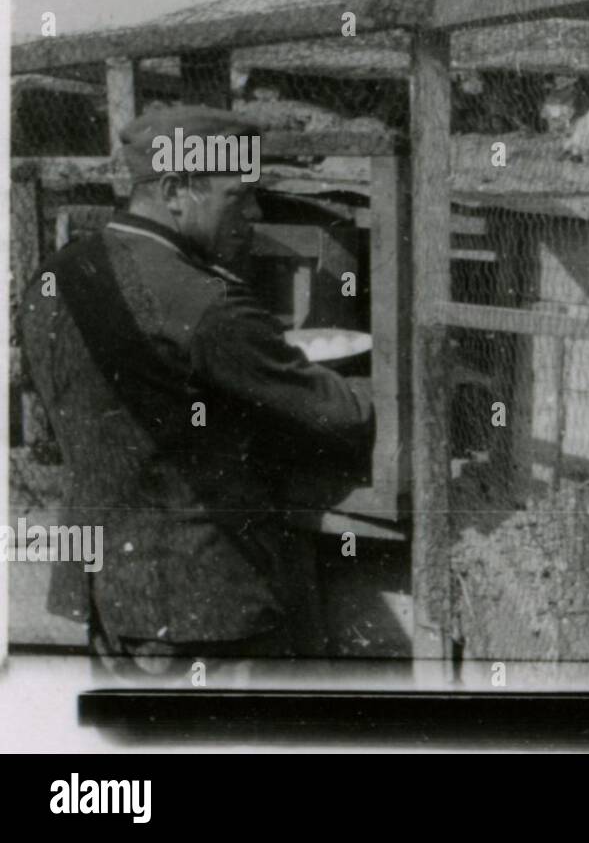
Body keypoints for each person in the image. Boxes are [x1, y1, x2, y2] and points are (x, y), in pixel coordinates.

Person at [20, 105, 374, 681]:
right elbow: (342, 416)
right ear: (177, 188)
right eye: (239, 197)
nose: (254, 215)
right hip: (208, 603)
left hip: (108, 596)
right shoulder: (206, 303)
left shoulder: (51, 279)